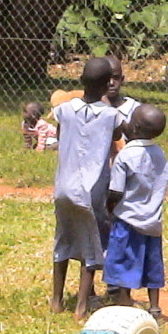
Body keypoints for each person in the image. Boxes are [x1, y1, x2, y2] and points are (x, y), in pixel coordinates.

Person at [51, 58, 121, 319]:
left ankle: (56, 301)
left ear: (80, 81)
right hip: (92, 189)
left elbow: (60, 135)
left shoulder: (65, 109)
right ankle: (82, 306)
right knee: (90, 245)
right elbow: (118, 138)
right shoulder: (111, 115)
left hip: (63, 186)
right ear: (107, 85)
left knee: (63, 238)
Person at [104, 104, 168, 317]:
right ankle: (154, 306)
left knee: (122, 258)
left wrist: (109, 207)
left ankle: (124, 298)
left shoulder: (125, 156)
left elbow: (116, 190)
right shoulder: (159, 153)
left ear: (133, 128)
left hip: (128, 218)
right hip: (152, 221)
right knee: (153, 263)